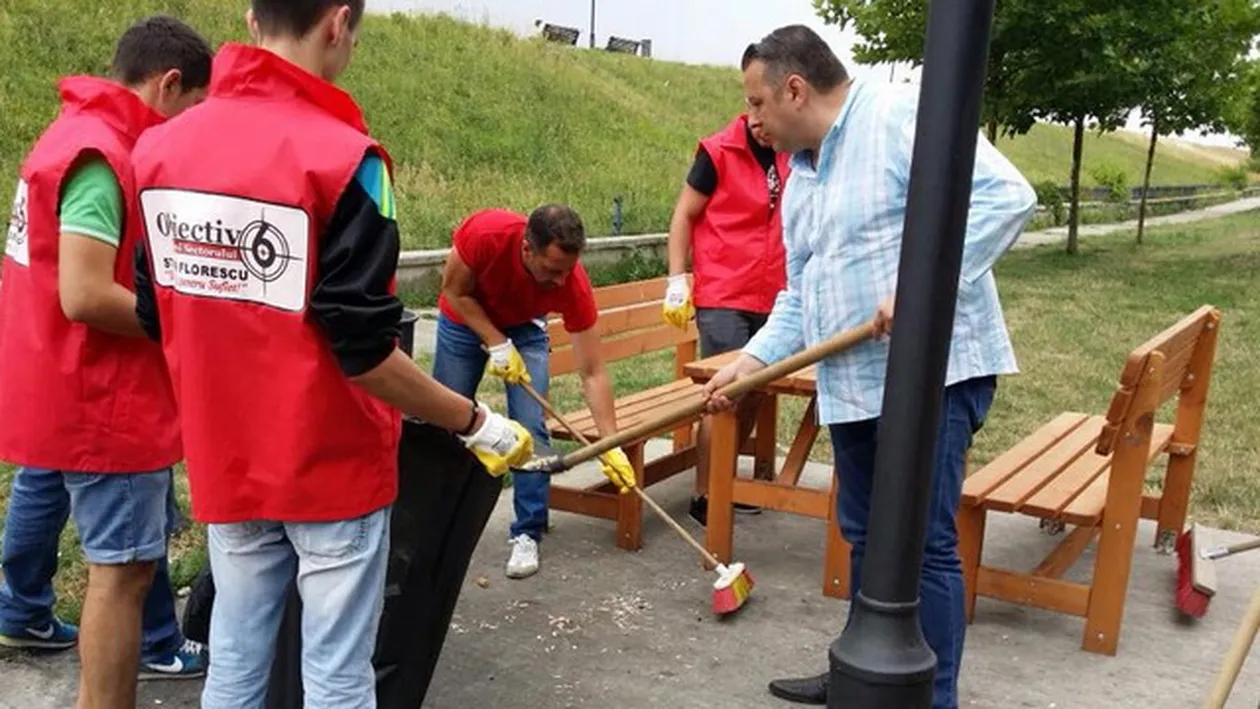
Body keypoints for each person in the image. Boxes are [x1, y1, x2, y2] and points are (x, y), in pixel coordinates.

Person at [128, 2, 534, 707]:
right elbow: (366, 347)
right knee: (339, 676)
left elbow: (148, 307)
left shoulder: (157, 150)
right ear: (340, 22)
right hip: (331, 465)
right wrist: (473, 421)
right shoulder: (353, 161)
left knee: (234, 660)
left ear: (252, 19)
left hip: (226, 458)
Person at [703, 25, 1037, 709]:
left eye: (757, 103)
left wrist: (921, 286)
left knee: (924, 544)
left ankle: (927, 696)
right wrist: (752, 361)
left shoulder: (897, 115)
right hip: (853, 385)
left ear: (795, 88)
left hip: (931, 378)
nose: (752, 119)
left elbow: (1007, 197)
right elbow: (800, 294)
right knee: (863, 535)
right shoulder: (800, 177)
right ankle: (865, 668)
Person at [0, 15, 214, 706]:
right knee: (122, 573)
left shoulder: (70, 132)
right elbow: (85, 291)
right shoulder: (103, 153)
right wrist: (184, 318)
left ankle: (27, 615)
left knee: (115, 565)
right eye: (192, 110)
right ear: (168, 82)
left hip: (60, 380)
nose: (190, 128)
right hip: (106, 398)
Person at [435, 205, 637, 580]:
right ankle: (436, 521)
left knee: (531, 424)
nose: (561, 282)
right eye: (552, 270)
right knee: (446, 420)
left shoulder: (572, 283)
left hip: (526, 327)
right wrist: (495, 341)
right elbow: (453, 290)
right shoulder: (486, 235)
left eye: (568, 271)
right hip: (463, 319)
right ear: (527, 249)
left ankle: (528, 530)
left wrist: (611, 443)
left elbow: (592, 371)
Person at [661, 111, 791, 526]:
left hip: (774, 295)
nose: (759, 119)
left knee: (754, 391)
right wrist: (677, 278)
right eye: (753, 107)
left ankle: (725, 483)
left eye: (765, 108)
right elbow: (684, 215)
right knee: (723, 394)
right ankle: (705, 493)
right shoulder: (717, 153)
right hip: (724, 293)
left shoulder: (793, 150)